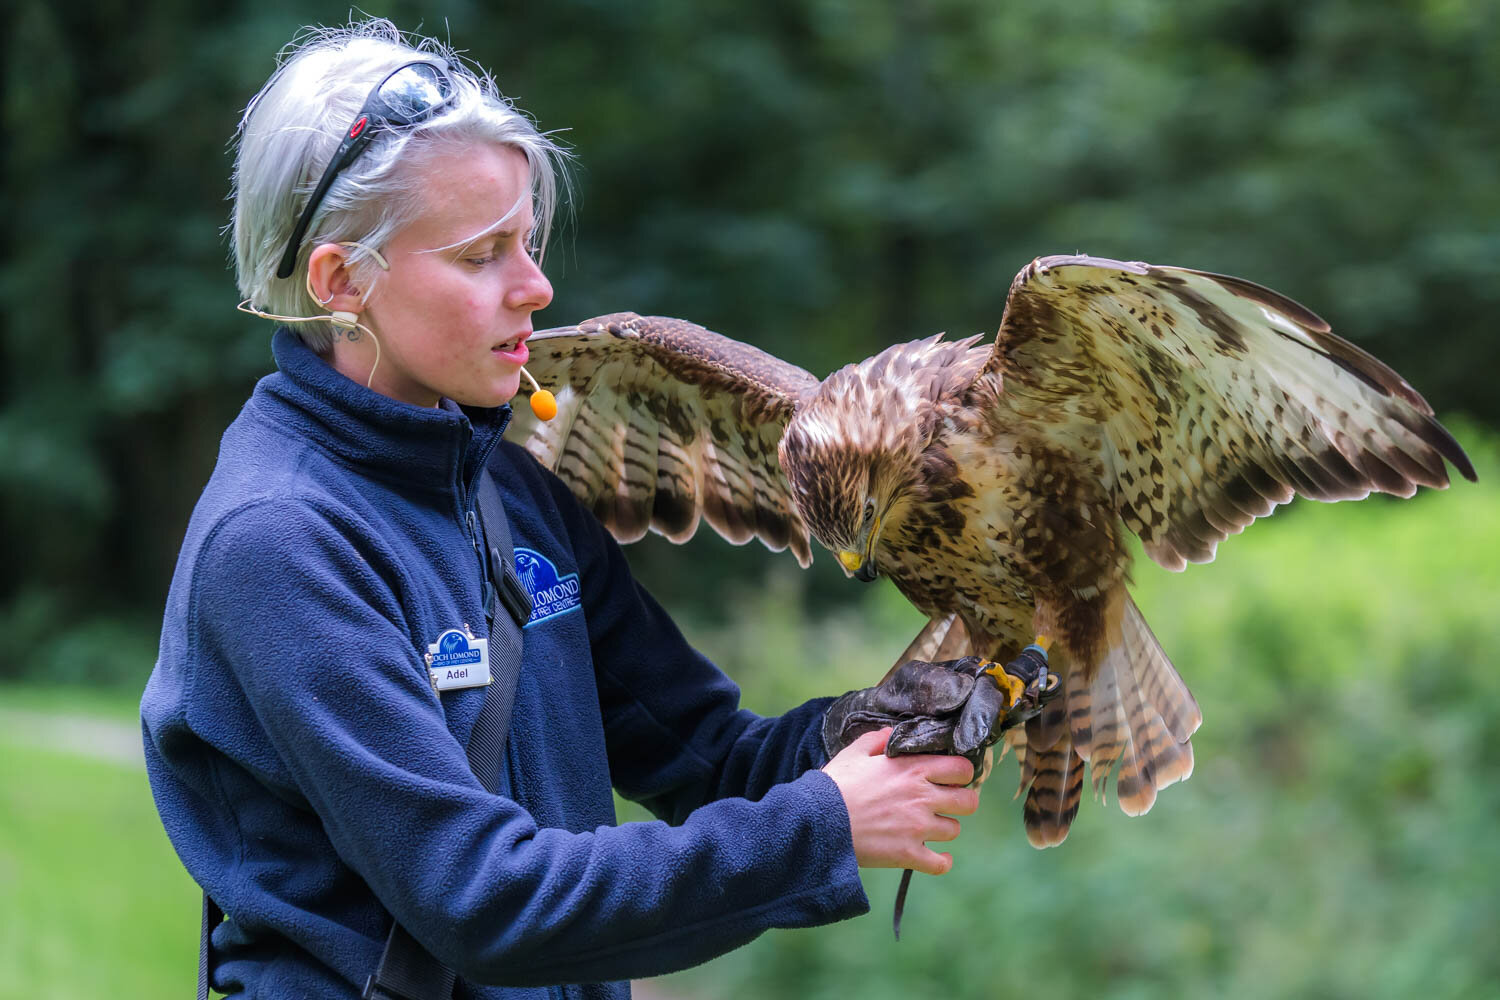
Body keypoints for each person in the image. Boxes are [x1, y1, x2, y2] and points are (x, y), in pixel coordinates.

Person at [141, 20, 981, 999]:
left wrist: (895, 720)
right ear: (340, 281)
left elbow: (714, 757)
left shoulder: (511, 491)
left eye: (528, 242)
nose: (535, 287)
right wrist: (827, 824)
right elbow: (483, 899)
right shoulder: (281, 544)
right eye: (482, 254)